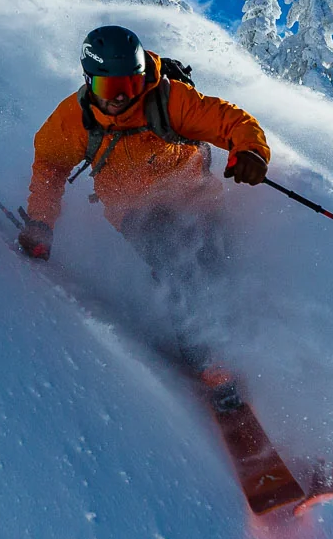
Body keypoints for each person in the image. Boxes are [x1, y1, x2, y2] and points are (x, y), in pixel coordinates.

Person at [19, 26, 270, 346]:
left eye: (130, 84)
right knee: (179, 266)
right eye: (110, 87)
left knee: (223, 267)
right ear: (89, 81)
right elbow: (49, 167)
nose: (122, 97)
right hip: (134, 210)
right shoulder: (73, 120)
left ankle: (242, 336)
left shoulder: (170, 100)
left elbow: (229, 120)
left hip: (195, 197)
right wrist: (41, 222)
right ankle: (209, 359)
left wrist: (250, 150)